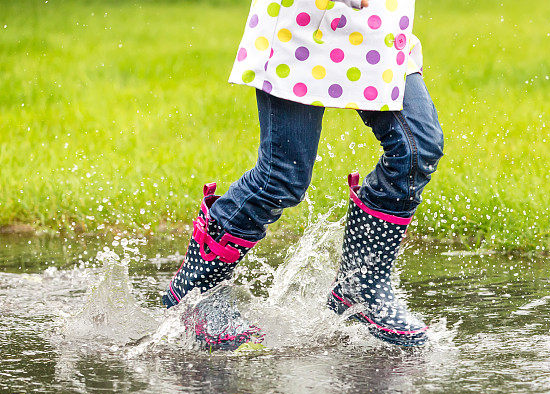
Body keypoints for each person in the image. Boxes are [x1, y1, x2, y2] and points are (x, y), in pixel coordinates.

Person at [162, 0, 444, 349]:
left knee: (417, 148)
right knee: (282, 178)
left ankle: (361, 288)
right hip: (303, 24)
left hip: (379, 26)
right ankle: (198, 291)